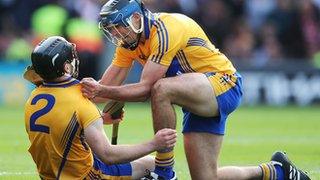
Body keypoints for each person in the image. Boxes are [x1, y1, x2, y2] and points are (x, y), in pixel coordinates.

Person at [81, 0, 311, 179]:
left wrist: (105, 92)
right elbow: (102, 90)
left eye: (120, 27)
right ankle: (277, 171)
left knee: (161, 88)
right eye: (113, 30)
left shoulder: (165, 29)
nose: (118, 34)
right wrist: (73, 95)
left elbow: (145, 90)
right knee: (206, 177)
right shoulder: (129, 45)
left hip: (224, 84)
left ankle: (164, 171)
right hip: (196, 97)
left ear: (136, 18)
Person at [24, 36, 177, 179]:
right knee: (152, 164)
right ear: (66, 67)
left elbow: (58, 122)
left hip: (49, 175)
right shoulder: (82, 99)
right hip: (84, 175)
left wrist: (101, 118)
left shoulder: (33, 97)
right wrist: (154, 143)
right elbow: (107, 155)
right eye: (71, 58)